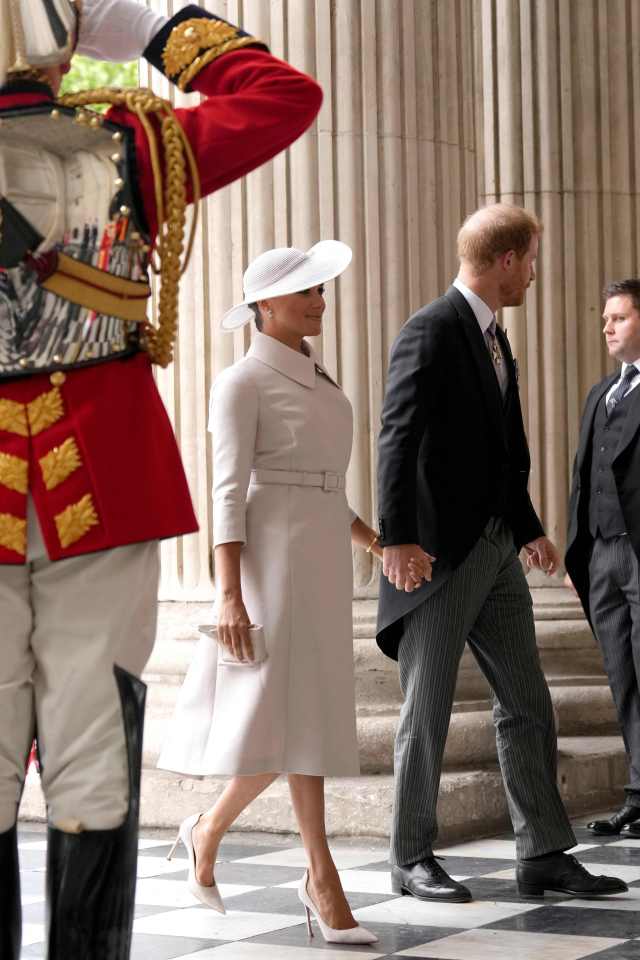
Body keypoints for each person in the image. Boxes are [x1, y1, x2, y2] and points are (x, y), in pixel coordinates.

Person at [0, 1, 322, 956]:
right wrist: (146, 29)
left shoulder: (136, 140)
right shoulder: (134, 142)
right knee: (93, 761)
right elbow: (278, 94)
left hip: (87, 491)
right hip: (98, 482)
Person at [376, 203, 627, 901]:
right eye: (533, 259)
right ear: (508, 260)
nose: (536, 274)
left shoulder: (496, 338)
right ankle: (410, 855)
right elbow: (396, 436)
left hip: (496, 547)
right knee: (424, 709)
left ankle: (543, 851)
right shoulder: (430, 330)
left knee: (527, 701)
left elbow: (501, 453)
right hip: (438, 557)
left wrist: (529, 529)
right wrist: (396, 538)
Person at [158, 242, 401, 944]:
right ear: (265, 304)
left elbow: (328, 492)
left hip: (320, 563)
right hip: (265, 568)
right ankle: (317, 877)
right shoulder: (241, 382)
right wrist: (227, 594)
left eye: (322, 292)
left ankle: (224, 835)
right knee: (278, 718)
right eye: (308, 293)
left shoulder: (324, 384)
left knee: (308, 722)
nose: (321, 303)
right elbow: (227, 493)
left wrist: (376, 541)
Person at [566, 280, 640, 837]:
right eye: (606, 318)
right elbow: (582, 478)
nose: (607, 326)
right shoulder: (600, 394)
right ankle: (638, 793)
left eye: (619, 317)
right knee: (622, 676)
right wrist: (580, 555)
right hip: (602, 554)